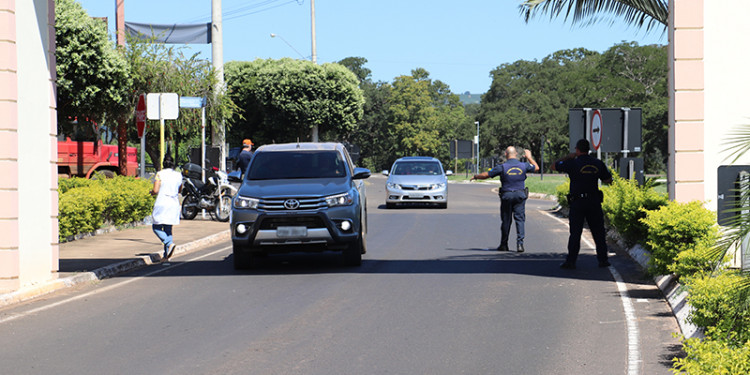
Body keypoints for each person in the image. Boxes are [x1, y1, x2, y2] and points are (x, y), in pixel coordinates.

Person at [552, 139, 613, 269]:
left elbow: (553, 166)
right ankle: (603, 259)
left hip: (578, 202)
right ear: (588, 149)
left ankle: (571, 261)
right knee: (598, 231)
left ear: (577, 150)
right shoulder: (597, 163)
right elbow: (608, 179)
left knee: (575, 232)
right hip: (594, 202)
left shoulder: (572, 163)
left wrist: (568, 157)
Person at [471, 146, 539, 252]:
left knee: (506, 220)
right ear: (516, 154)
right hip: (520, 195)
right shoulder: (523, 165)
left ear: (506, 155)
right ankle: (520, 244)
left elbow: (486, 175)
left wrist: (476, 176)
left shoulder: (502, 167)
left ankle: (504, 244)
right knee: (520, 220)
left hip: (507, 195)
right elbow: (536, 168)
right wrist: (529, 157)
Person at [150, 155, 183, 260]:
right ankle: (166, 255)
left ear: (163, 164)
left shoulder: (159, 174)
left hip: (162, 203)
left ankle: (169, 243)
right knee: (168, 229)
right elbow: (179, 190)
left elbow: (155, 190)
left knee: (156, 227)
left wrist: (151, 193)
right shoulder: (178, 175)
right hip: (173, 203)